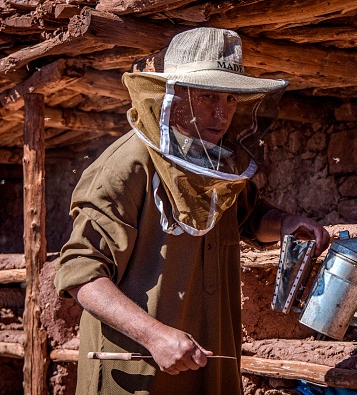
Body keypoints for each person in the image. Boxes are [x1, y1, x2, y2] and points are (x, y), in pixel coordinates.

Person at [54, 27, 330, 395]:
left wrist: (285, 224)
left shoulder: (218, 163)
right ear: (172, 94)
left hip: (208, 371)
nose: (222, 112)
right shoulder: (127, 167)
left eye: (231, 97)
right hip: (138, 374)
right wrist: (154, 335)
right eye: (206, 96)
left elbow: (248, 217)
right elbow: (80, 272)